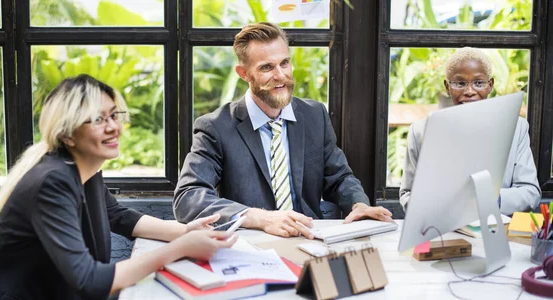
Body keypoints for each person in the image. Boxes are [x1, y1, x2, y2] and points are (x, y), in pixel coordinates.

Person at [0, 75, 235, 300]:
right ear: (67, 134)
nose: (113, 127)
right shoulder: (52, 181)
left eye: (113, 115)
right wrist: (181, 247)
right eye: (98, 120)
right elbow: (90, 280)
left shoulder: (82, 170)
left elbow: (118, 216)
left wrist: (184, 231)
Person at [173, 22, 393, 240]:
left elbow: (339, 177)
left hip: (312, 239)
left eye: (285, 63)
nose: (280, 75)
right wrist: (261, 218)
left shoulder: (314, 115)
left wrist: (359, 204)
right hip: (251, 245)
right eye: (267, 67)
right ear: (243, 73)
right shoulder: (216, 127)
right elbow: (188, 197)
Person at [399, 47, 541, 215]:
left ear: (490, 86)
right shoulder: (421, 131)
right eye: (460, 83)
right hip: (444, 231)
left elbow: (530, 192)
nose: (469, 91)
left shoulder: (516, 128)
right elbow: (408, 194)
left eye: (478, 83)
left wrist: (490, 199)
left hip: (496, 228)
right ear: (447, 87)